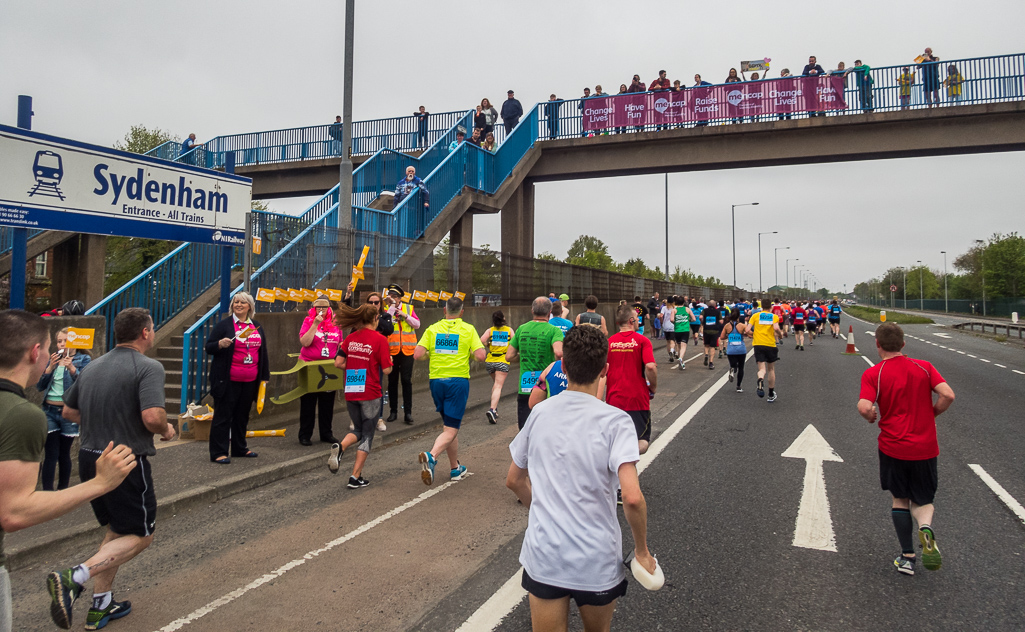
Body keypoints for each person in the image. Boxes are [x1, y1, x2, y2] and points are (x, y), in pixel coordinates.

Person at [506, 325, 656, 632]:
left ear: (562, 365)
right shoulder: (617, 422)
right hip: (595, 558)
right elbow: (631, 497)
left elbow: (514, 480)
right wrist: (641, 550)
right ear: (605, 370)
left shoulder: (540, 414)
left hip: (546, 553)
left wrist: (541, 509)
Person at [0, 310, 135, 632]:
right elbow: (13, 513)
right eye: (49, 346)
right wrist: (100, 483)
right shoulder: (21, 415)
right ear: (36, 352)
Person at [50, 307, 176, 630]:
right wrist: (166, 429)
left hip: (90, 458)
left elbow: (68, 410)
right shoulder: (149, 367)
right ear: (145, 333)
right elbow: (151, 416)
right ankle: (72, 578)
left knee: (118, 529)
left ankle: (101, 604)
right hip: (123, 460)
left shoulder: (93, 367)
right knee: (141, 534)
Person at [856, 323, 955, 576]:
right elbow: (948, 395)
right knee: (923, 499)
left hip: (893, 446)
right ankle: (925, 527)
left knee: (900, 498)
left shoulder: (874, 373)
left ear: (877, 344)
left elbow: (865, 406)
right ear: (903, 344)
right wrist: (931, 413)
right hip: (925, 447)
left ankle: (908, 557)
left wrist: (870, 418)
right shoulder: (925, 367)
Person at [415, 297, 486, 485]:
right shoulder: (468, 329)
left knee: (449, 425)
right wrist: (469, 353)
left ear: (444, 311)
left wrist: (433, 353)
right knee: (452, 428)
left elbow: (418, 354)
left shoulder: (432, 329)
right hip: (457, 381)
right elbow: (480, 356)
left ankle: (455, 468)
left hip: (436, 381)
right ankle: (432, 456)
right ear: (462, 312)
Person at [327, 304, 393, 488]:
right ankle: (355, 477)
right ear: (375, 319)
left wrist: (355, 367)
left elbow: (338, 363)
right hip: (370, 392)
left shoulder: (350, 338)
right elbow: (387, 370)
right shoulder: (380, 340)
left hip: (352, 389)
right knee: (367, 436)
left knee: (357, 429)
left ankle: (341, 447)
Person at [204, 293, 268, 464]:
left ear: (250, 307)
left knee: (242, 416)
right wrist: (219, 344)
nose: (238, 305)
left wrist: (264, 377)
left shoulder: (256, 326)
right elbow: (208, 347)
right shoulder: (224, 325)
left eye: (243, 302)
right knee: (223, 416)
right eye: (236, 302)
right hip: (227, 380)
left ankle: (240, 448)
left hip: (250, 380)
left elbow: (263, 353)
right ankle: (219, 452)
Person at [36, 327, 91, 490]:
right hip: (50, 411)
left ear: (74, 343)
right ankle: (47, 491)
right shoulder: (51, 360)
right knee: (50, 453)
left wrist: (72, 369)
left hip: (69, 412)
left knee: (64, 453)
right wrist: (49, 368)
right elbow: (40, 386)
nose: (61, 344)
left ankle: (62, 489)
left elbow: (86, 384)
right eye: (59, 341)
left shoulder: (84, 359)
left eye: (65, 341)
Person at [606, 305, 657, 456]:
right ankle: (625, 458)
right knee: (641, 441)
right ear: (631, 321)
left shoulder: (609, 342)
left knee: (615, 439)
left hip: (613, 399)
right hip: (637, 399)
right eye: (637, 319)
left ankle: (617, 461)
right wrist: (653, 387)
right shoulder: (642, 341)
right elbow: (650, 367)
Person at [506, 297, 564, 430]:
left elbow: (509, 356)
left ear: (532, 311)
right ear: (549, 312)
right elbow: (559, 352)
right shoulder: (554, 330)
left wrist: (524, 357)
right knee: (544, 429)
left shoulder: (521, 329)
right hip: (545, 387)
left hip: (525, 387)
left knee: (525, 429)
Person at [297, 296, 342, 447]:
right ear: (314, 308)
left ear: (329, 308)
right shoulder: (308, 321)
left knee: (327, 403)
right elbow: (305, 342)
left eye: (324, 307)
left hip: (329, 366)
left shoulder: (336, 323)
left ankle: (326, 433)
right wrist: (315, 324)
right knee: (308, 403)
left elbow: (340, 343)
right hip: (310, 366)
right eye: (318, 307)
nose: (321, 310)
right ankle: (305, 434)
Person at [384, 285, 420, 425]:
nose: (391, 298)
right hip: (392, 351)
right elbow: (385, 322)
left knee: (406, 380)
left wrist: (405, 316)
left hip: (407, 351)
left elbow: (417, 324)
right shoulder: (386, 309)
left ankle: (408, 412)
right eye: (390, 296)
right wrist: (392, 308)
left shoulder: (409, 308)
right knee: (392, 382)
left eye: (394, 296)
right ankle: (393, 411)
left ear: (399, 298)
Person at [482, 311, 514, 425]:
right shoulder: (509, 330)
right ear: (503, 318)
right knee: (498, 386)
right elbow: (514, 342)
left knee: (496, 385)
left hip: (490, 361)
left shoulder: (490, 330)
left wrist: (488, 345)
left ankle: (495, 409)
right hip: (502, 360)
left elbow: (481, 340)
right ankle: (492, 409)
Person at [746, 301, 782, 402]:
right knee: (771, 369)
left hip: (758, 344)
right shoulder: (774, 316)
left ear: (761, 307)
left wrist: (754, 334)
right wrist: (780, 334)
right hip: (770, 344)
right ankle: (771, 393)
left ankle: (760, 379)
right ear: (771, 307)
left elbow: (747, 329)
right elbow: (775, 327)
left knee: (762, 369)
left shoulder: (755, 316)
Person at [721, 309, 748, 392]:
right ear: (739, 316)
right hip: (741, 350)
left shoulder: (726, 326)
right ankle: (738, 386)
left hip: (731, 350)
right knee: (741, 367)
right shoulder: (742, 326)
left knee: (733, 364)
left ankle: (733, 367)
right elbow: (749, 333)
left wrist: (728, 336)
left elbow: (722, 337)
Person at [700, 299, 723, 370]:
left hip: (706, 330)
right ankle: (711, 363)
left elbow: (700, 317)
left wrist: (703, 322)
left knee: (706, 344)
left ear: (708, 305)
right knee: (712, 346)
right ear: (715, 305)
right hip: (715, 331)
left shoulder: (705, 310)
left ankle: (706, 354)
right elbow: (721, 321)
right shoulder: (718, 312)